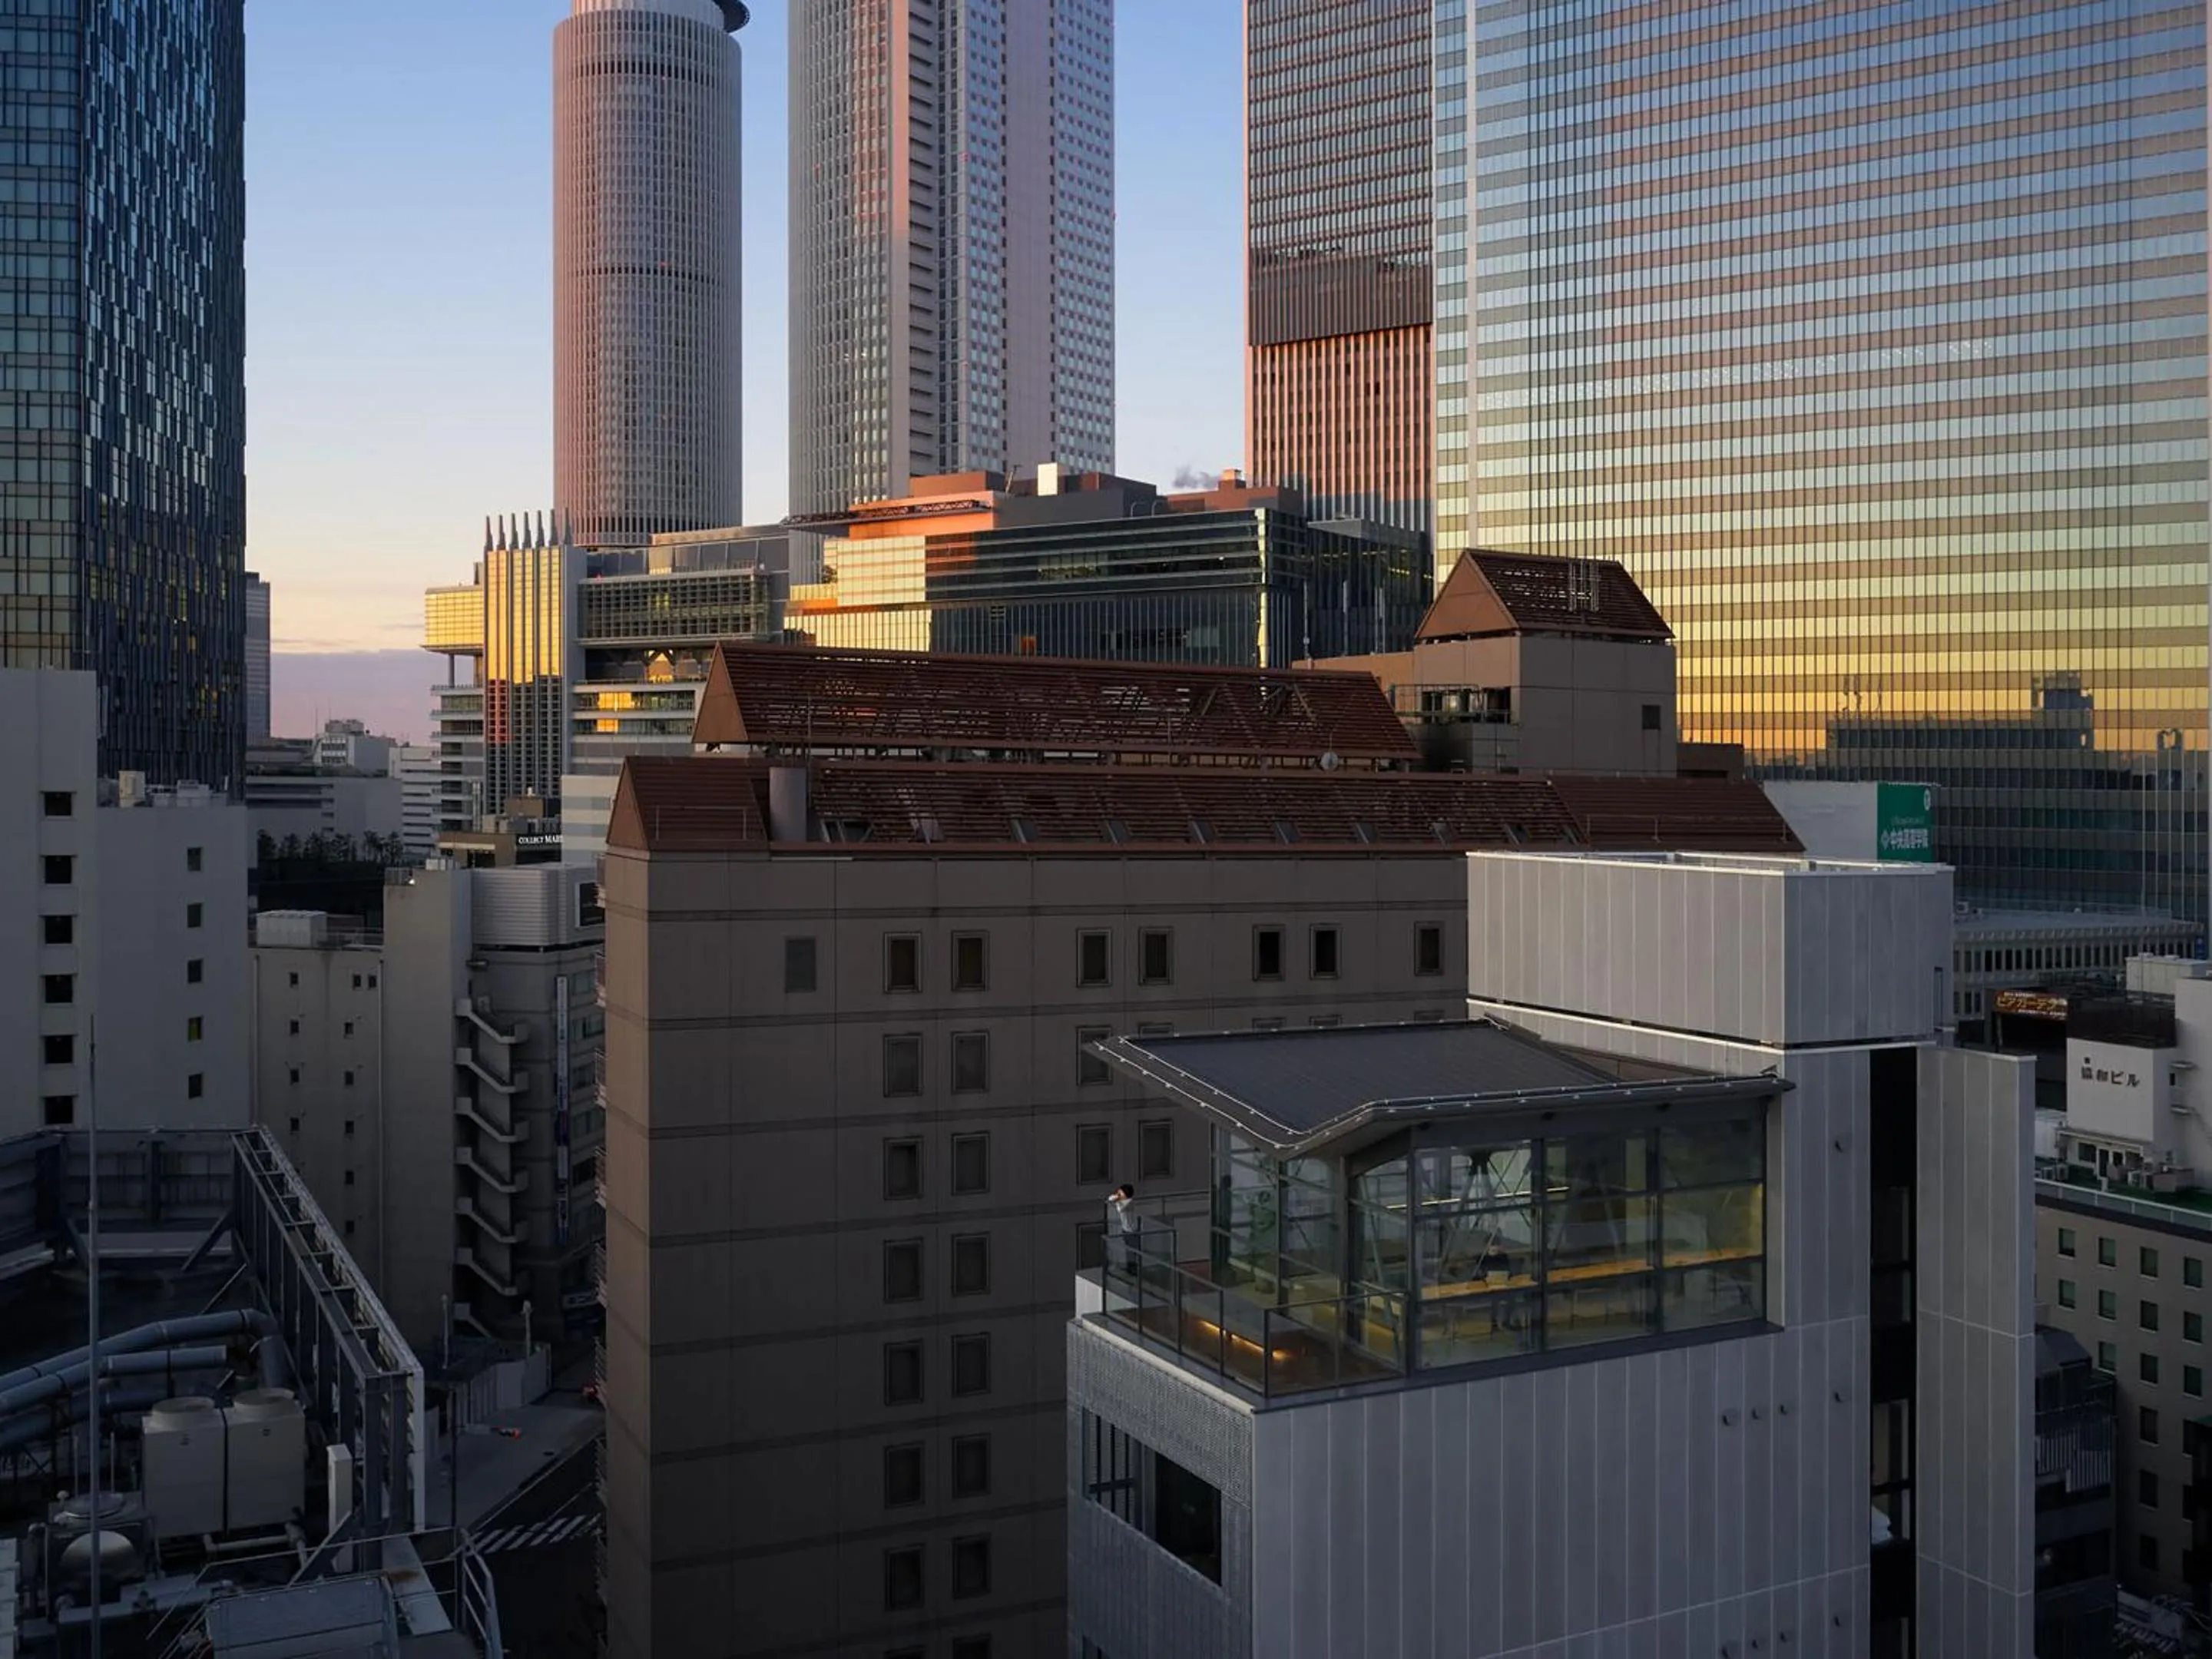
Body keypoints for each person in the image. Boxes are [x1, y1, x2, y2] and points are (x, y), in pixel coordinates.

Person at [1109, 1183, 1141, 1277]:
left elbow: (1120, 1209)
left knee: (1132, 1251)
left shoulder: (1130, 1202)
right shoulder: (1123, 1201)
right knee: (1128, 1250)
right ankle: (1130, 1268)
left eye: (1121, 1192)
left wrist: (1117, 1199)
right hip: (1126, 1229)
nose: (1119, 1194)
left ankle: (1133, 1270)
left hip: (1132, 1230)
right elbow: (1110, 1198)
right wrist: (1117, 1197)